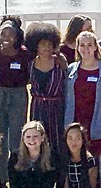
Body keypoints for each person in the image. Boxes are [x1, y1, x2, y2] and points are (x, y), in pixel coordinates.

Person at [0, 16, 31, 188]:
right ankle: (3, 184)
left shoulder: (24, 53)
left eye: (11, 34)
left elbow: (30, 75)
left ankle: (17, 181)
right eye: (3, 33)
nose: (7, 37)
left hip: (18, 95)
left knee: (16, 140)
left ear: (17, 36)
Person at [64, 31, 101, 157]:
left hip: (97, 128)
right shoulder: (71, 70)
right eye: (82, 45)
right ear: (77, 48)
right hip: (75, 125)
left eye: (89, 45)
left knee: (97, 166)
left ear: (95, 47)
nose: (86, 49)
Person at [25, 22, 66, 153]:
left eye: (50, 44)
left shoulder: (60, 63)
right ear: (35, 45)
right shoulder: (30, 64)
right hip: (37, 108)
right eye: (43, 44)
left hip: (56, 109)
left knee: (56, 142)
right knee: (36, 141)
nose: (47, 47)